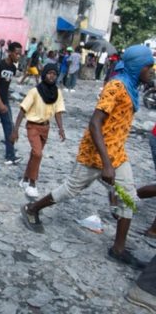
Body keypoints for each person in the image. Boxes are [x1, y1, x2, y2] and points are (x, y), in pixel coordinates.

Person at [20, 45, 154, 269]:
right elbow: (94, 123)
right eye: (148, 67)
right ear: (137, 66)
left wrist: (113, 162)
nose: (150, 71)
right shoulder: (116, 87)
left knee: (128, 196)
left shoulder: (131, 87)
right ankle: (32, 209)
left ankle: (118, 249)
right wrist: (107, 165)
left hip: (117, 153)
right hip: (95, 153)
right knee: (72, 188)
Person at [11, 63, 65, 198]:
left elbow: (58, 111)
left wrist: (61, 129)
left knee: (34, 155)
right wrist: (15, 130)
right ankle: (32, 184)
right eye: (49, 73)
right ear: (44, 74)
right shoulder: (35, 91)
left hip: (45, 127)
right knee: (38, 154)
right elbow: (23, 109)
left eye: (54, 74)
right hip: (33, 126)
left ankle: (24, 179)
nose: (51, 76)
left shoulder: (57, 92)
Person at [0, 41, 23, 166]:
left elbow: (5, 85)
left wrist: (5, 101)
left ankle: (10, 156)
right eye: (16, 53)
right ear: (9, 52)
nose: (18, 56)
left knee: (9, 126)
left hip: (4, 101)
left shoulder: (13, 68)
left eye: (20, 54)